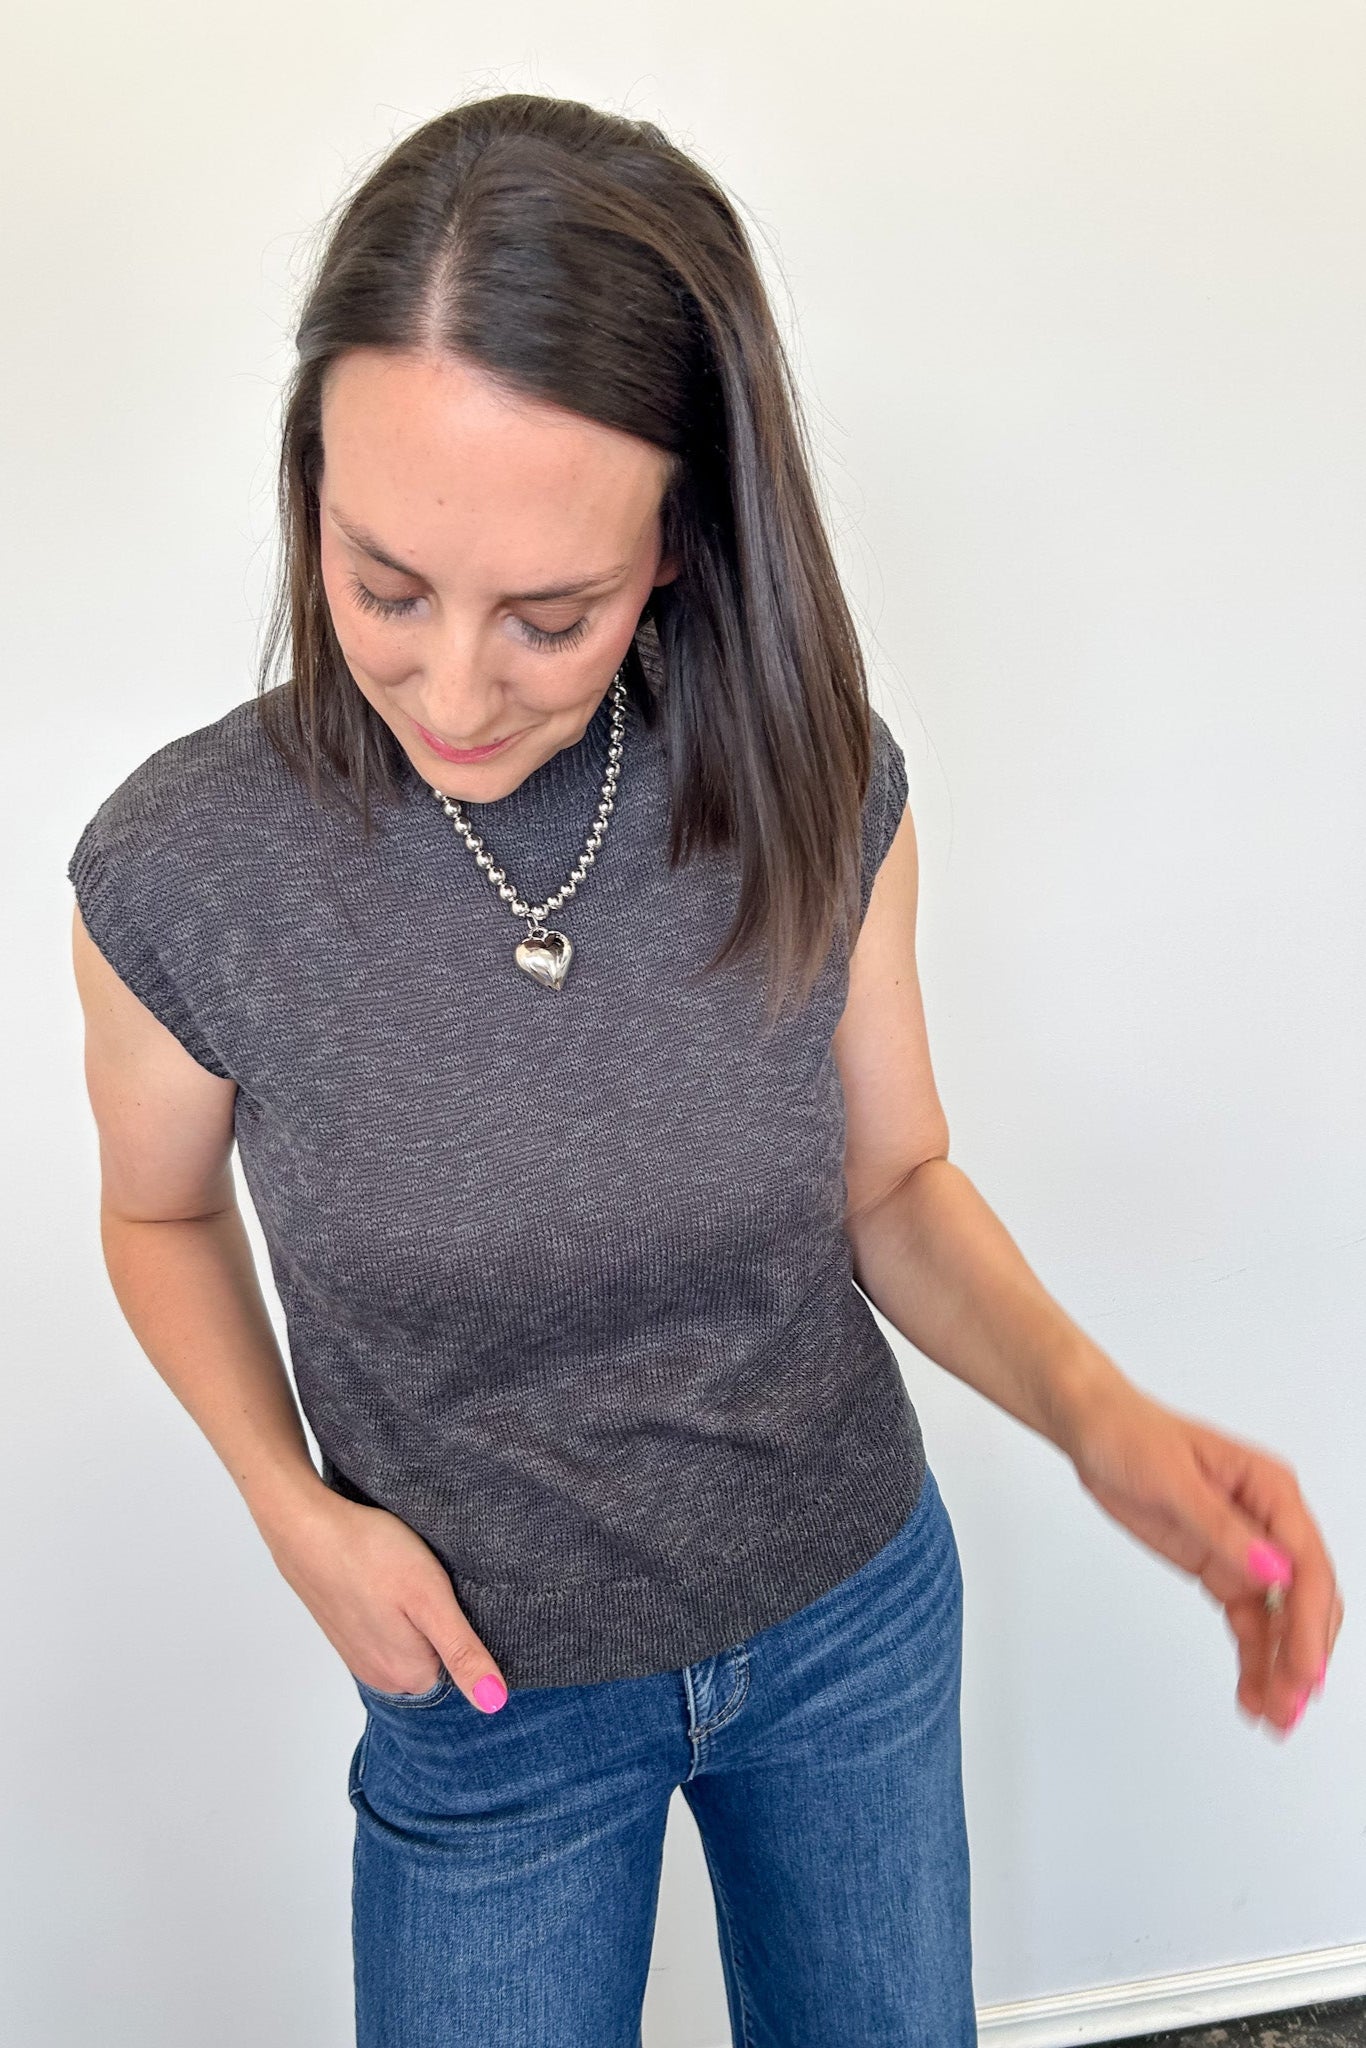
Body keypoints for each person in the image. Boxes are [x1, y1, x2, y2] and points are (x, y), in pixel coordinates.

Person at [66, 92, 1342, 2048]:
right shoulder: (183, 868)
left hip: (846, 1624)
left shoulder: (811, 780)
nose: (455, 687)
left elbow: (889, 1184)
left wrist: (1095, 1412)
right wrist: (285, 1501)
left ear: (677, 548)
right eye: (381, 580)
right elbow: (154, 1208)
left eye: (549, 614)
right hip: (484, 1699)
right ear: (304, 485)